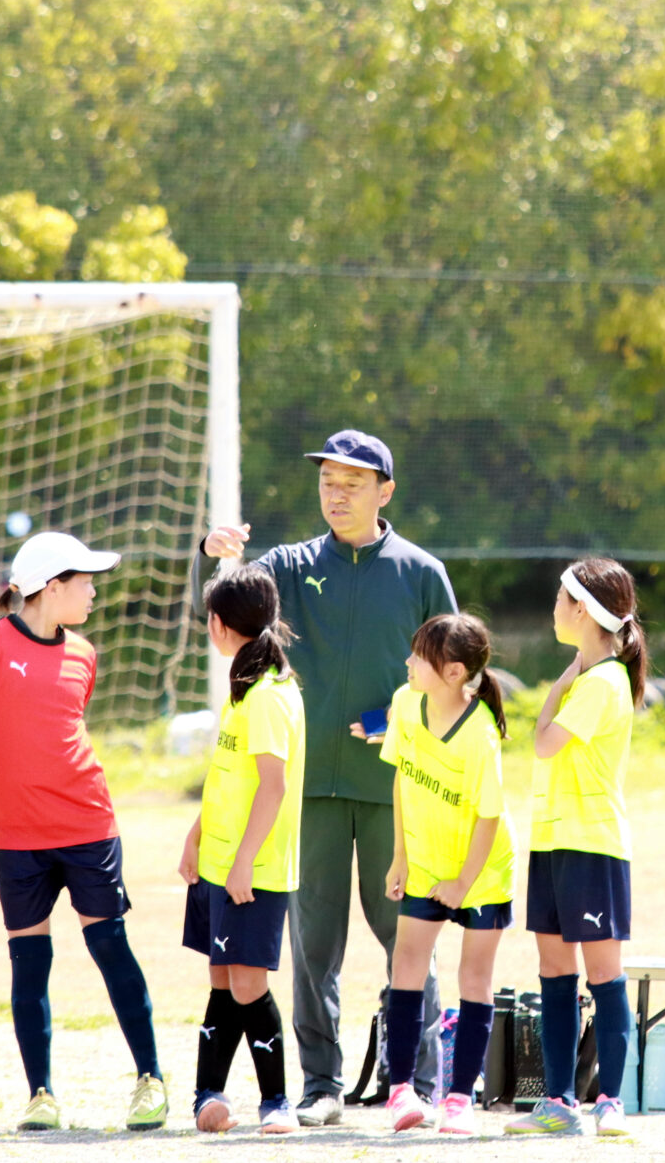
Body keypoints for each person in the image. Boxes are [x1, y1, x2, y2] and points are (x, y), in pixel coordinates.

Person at [197, 429, 456, 1123]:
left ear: (385, 491)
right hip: (305, 794)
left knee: (406, 932)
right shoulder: (289, 562)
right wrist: (213, 552)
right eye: (327, 482)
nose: (335, 494)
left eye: (351, 483)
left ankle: (418, 1080)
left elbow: (458, 675)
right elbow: (233, 598)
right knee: (313, 945)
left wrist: (394, 720)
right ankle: (321, 1085)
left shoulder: (421, 571)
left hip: (394, 788)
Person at [0, 531, 168, 1134]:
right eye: (83, 581)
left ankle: (150, 1079)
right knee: (29, 963)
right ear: (50, 587)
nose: (92, 592)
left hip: (89, 825)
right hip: (17, 838)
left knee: (111, 947)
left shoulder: (85, 653)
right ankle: (40, 1095)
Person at [506, 558, 647, 1138]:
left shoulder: (604, 681)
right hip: (553, 842)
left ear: (584, 611)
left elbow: (541, 744)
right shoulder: (591, 678)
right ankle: (557, 1101)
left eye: (563, 600)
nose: (555, 609)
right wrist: (567, 680)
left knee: (604, 976)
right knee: (554, 973)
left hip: (593, 845)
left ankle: (610, 1101)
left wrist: (561, 685)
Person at [179, 563, 307, 1137]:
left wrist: (242, 861)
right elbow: (229, 778)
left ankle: (277, 1101)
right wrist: (198, 835)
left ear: (217, 623)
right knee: (223, 978)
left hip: (250, 868)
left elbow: (273, 788)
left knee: (249, 984)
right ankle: (207, 1095)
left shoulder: (271, 695)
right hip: (220, 860)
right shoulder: (243, 686)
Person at [378, 613, 515, 1136]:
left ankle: (459, 1100)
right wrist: (401, 856)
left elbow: (489, 815)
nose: (409, 662)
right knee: (407, 964)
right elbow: (402, 783)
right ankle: (402, 1092)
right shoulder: (404, 703)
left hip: (482, 871)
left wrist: (461, 883)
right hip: (425, 860)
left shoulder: (481, 732)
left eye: (420, 656)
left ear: (455, 672)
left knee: (473, 978)